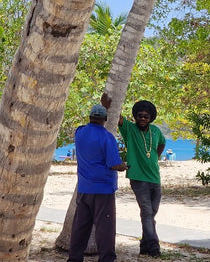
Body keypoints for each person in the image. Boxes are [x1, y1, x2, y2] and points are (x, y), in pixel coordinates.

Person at [102, 94, 166, 258]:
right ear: (136, 117)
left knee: (151, 213)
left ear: (150, 118)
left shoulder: (156, 131)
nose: (143, 118)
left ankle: (144, 245)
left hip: (155, 178)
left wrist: (154, 158)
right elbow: (118, 118)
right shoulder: (130, 129)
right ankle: (154, 247)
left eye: (146, 116)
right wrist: (107, 106)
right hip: (138, 178)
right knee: (146, 212)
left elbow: (162, 144)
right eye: (140, 116)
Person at [67, 104, 127, 262]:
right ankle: (106, 259)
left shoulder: (80, 133)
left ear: (90, 117)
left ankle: (74, 258)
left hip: (84, 189)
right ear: (105, 119)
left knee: (80, 227)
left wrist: (104, 104)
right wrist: (124, 165)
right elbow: (114, 164)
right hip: (103, 191)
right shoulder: (107, 137)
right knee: (104, 229)